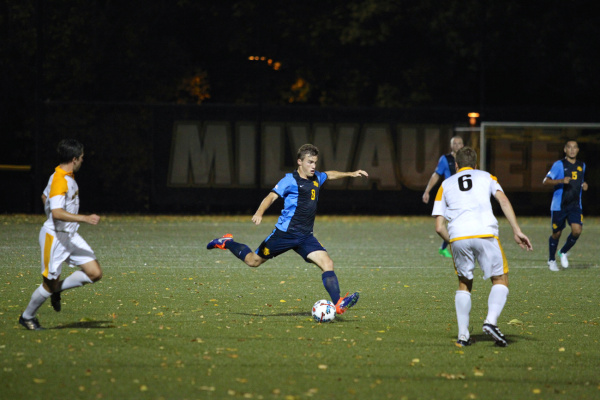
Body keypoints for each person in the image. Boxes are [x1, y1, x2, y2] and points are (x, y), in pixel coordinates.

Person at [207, 144, 368, 315]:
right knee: (252, 261)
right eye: (309, 162)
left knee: (328, 263)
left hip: (305, 237)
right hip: (284, 235)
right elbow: (271, 197)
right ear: (300, 162)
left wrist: (350, 174)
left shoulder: (316, 178)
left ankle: (338, 304)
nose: (313, 166)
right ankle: (227, 242)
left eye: (315, 162)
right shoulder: (289, 180)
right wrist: (259, 213)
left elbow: (329, 175)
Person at [432, 147, 532, 347]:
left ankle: (463, 336)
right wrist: (516, 230)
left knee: (464, 283)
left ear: (457, 165)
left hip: (459, 235)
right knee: (500, 279)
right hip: (485, 233)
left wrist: (453, 241)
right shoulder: (487, 176)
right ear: (476, 165)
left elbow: (438, 227)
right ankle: (491, 322)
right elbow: (502, 200)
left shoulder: (446, 184)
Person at [19, 139, 102, 330]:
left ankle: (56, 291)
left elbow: (44, 197)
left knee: (94, 273)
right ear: (74, 159)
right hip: (55, 238)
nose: (82, 161)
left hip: (70, 236)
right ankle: (27, 316)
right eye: (81, 158)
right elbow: (56, 212)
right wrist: (85, 218)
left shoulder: (64, 175)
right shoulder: (60, 180)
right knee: (48, 284)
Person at [543, 140, 588, 271]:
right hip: (559, 205)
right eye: (569, 147)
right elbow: (546, 181)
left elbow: (579, 180)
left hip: (575, 205)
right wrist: (561, 181)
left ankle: (562, 252)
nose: (572, 150)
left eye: (575, 147)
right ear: (565, 150)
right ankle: (551, 260)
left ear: (578, 150)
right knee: (556, 234)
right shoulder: (559, 165)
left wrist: (583, 185)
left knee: (577, 230)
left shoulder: (582, 165)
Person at [422, 135, 464, 258]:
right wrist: (427, 191)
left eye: (459, 143)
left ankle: (446, 247)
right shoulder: (445, 159)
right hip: (450, 195)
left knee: (456, 223)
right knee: (448, 223)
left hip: (463, 196)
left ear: (463, 145)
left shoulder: (466, 159)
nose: (457, 146)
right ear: (451, 146)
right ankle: (451, 246)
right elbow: (436, 175)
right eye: (454, 143)